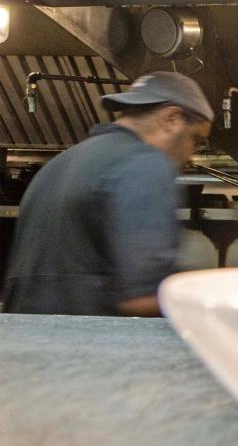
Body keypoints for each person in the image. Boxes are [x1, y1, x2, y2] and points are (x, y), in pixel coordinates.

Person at [2, 71, 213, 317]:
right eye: (196, 140)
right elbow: (142, 296)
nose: (190, 156)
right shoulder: (145, 163)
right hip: (89, 347)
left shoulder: (61, 162)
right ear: (172, 118)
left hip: (22, 341)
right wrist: (214, 306)